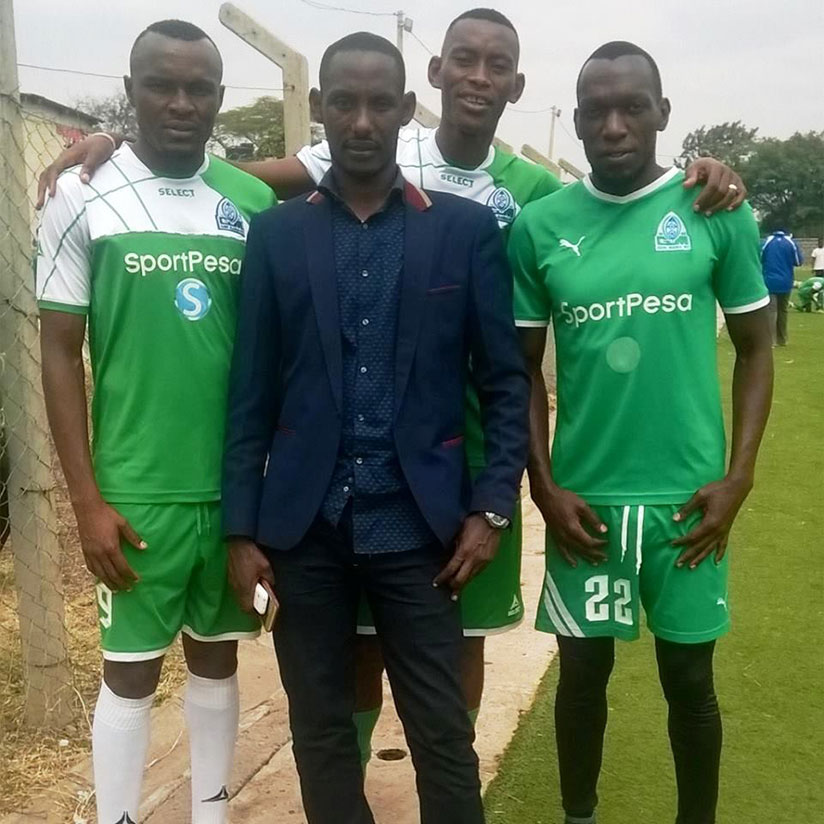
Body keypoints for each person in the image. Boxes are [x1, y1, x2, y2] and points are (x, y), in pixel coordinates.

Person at [35, 7, 748, 768]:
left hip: (471, 455)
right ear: (434, 78)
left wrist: (705, 175)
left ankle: (449, 769)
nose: (479, 76)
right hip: (364, 457)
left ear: (517, 83)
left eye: (496, 63)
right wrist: (123, 151)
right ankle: (360, 776)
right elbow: (230, 179)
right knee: (358, 649)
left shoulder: (535, 193)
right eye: (463, 59)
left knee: (461, 638)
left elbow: (607, 213)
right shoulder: (375, 139)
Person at [222, 31, 529, 824]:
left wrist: (491, 508)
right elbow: (250, 395)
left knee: (440, 733)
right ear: (321, 110)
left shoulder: (462, 231)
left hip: (421, 533)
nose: (362, 120)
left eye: (379, 103)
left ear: (404, 108)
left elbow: (503, 383)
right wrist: (240, 531)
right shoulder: (279, 234)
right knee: (320, 730)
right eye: (344, 103)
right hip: (303, 534)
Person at [509, 41, 773, 824]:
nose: (614, 126)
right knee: (581, 677)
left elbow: (757, 349)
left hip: (689, 501)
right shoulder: (540, 227)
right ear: (579, 121)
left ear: (664, 114)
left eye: (633, 108)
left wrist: (740, 476)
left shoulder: (715, 212)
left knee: (690, 683)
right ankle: (579, 815)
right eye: (597, 111)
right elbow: (521, 370)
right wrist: (544, 486)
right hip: (585, 505)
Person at [36, 20, 275, 824]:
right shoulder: (79, 195)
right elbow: (60, 352)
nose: (181, 103)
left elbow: (342, 166)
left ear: (218, 99)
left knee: (216, 663)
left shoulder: (250, 199)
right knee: (131, 672)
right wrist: (87, 502)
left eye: (199, 88)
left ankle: (211, 814)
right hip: (136, 494)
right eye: (161, 85)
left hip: (234, 493)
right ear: (131, 89)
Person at [761, 228, 803, 345]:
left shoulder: (767, 242)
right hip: (786, 281)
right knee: (783, 310)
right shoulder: (791, 242)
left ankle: (771, 341)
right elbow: (798, 261)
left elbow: (759, 258)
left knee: (771, 311)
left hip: (769, 281)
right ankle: (782, 339)